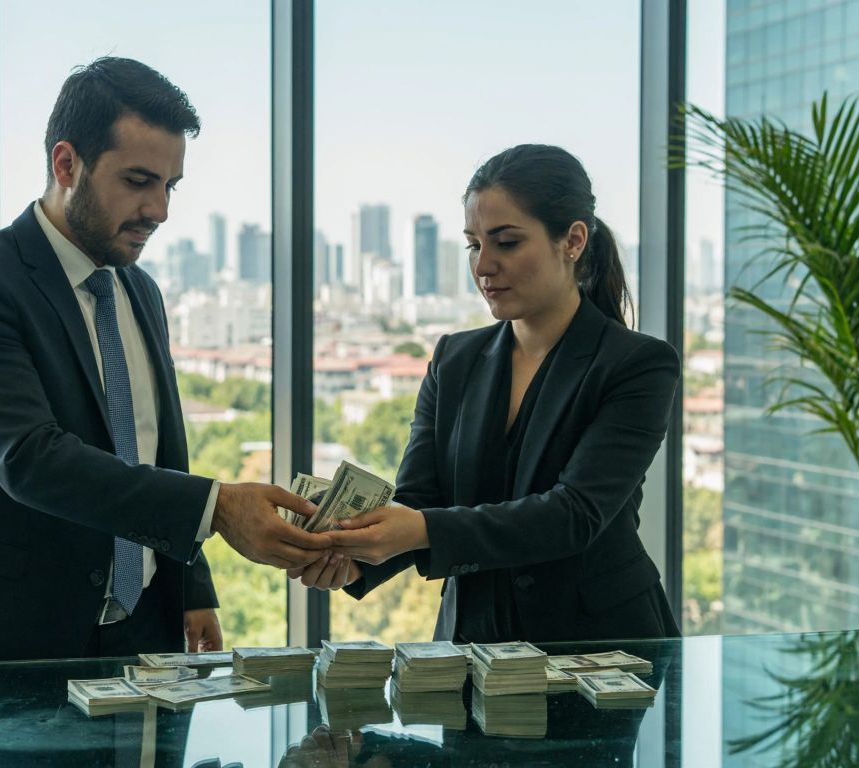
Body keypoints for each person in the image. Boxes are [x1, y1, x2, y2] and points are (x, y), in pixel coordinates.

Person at [0, 57, 328, 665]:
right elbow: (29, 459)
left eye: (170, 187)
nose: (160, 210)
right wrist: (217, 507)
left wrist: (189, 584)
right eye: (138, 181)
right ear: (66, 164)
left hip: (140, 631)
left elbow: (156, 450)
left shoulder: (139, 290)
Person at [292, 144, 681, 644]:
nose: (483, 266)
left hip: (599, 644)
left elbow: (575, 514)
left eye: (507, 243)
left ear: (574, 241)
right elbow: (421, 498)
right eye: (474, 245)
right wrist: (355, 562)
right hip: (471, 643)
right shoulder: (454, 359)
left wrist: (420, 531)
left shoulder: (637, 364)